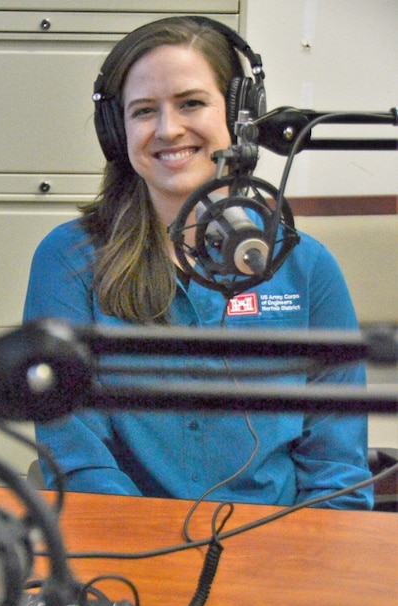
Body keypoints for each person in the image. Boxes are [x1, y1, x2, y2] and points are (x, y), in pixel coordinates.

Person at [23, 15, 373, 509]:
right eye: (144, 111)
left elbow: (335, 469)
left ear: (240, 117)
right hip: (128, 552)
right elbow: (77, 457)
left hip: (275, 546)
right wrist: (163, 559)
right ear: (115, 130)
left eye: (191, 103)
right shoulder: (70, 259)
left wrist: (307, 565)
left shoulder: (307, 267)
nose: (168, 129)